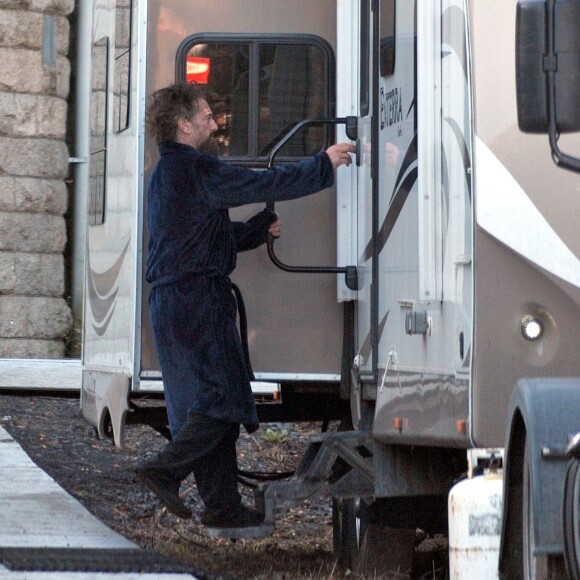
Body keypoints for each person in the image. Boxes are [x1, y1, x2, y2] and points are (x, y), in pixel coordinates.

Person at [135, 81, 355, 534]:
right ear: (182, 125)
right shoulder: (195, 168)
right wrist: (322, 165)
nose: (214, 123)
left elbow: (203, 240)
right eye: (205, 116)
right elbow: (261, 181)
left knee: (205, 405)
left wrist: (256, 230)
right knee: (222, 400)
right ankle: (163, 471)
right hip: (197, 301)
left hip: (176, 299)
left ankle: (221, 507)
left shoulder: (168, 173)